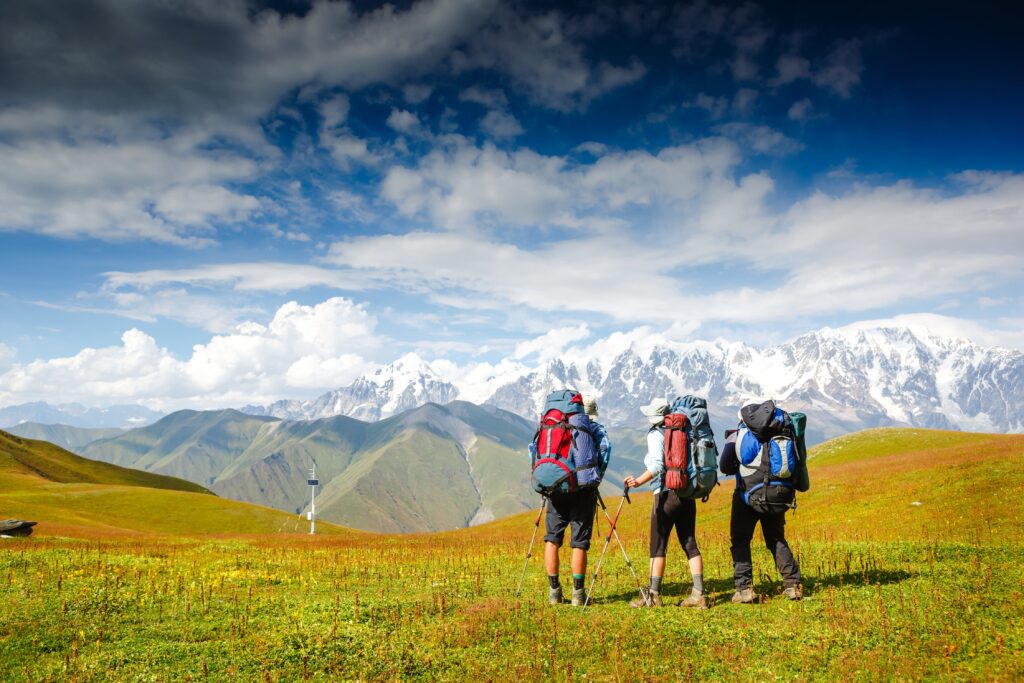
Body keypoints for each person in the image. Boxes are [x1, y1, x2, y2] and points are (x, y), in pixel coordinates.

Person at [623, 398, 708, 609]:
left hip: (665, 495)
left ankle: (654, 596)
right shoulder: (685, 429)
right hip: (686, 492)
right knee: (690, 543)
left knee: (658, 545)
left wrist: (638, 481)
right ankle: (699, 594)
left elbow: (657, 465)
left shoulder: (656, 434)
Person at [719, 405, 807, 603]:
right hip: (778, 494)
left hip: (747, 497)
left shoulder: (740, 433)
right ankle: (793, 585)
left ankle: (744, 590)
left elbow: (724, 465)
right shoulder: (783, 429)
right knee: (776, 539)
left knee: (741, 540)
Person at [541, 395, 611, 606]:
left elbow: (533, 451)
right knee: (579, 542)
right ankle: (578, 595)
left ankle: (554, 592)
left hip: (556, 487)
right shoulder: (594, 429)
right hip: (583, 490)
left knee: (552, 539)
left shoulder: (553, 425)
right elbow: (606, 451)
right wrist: (595, 476)